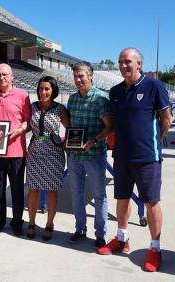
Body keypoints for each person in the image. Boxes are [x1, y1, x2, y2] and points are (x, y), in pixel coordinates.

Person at [97, 48, 171, 272]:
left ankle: (155, 248)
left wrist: (156, 141)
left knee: (151, 202)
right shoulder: (116, 91)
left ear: (139, 63)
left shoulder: (154, 87)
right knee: (121, 199)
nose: (123, 65)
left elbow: (166, 119)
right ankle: (122, 239)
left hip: (147, 157)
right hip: (121, 155)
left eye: (127, 61)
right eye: (120, 62)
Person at [66, 61, 113, 248]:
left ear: (90, 76)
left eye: (81, 76)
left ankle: (100, 234)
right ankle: (80, 229)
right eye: (75, 76)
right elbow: (70, 125)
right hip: (75, 156)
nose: (78, 80)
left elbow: (111, 127)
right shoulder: (72, 99)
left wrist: (94, 140)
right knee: (76, 193)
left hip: (94, 155)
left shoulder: (101, 99)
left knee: (99, 194)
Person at [0, 63, 31, 236]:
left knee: (17, 190)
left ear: (12, 76)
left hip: (17, 152)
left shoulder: (22, 95)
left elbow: (28, 122)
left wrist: (20, 129)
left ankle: (17, 222)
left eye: (5, 74)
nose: (1, 77)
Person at [25, 76, 69, 241]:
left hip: (54, 154)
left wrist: (71, 146)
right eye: (41, 89)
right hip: (35, 153)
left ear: (53, 91)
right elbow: (27, 125)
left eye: (47, 89)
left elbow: (70, 130)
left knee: (52, 190)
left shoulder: (60, 109)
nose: (43, 92)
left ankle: (50, 223)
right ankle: (31, 222)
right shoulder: (33, 107)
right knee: (33, 189)